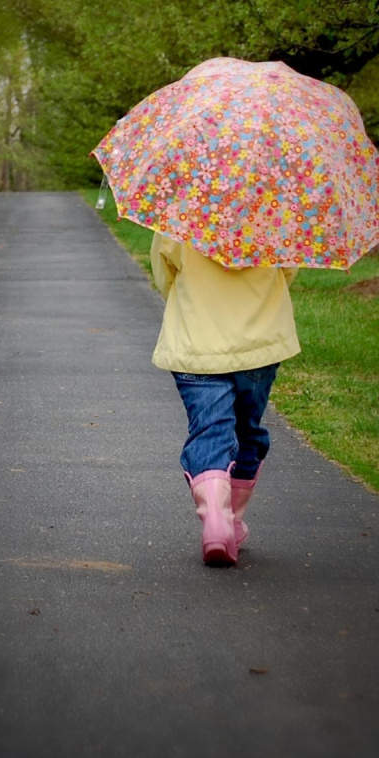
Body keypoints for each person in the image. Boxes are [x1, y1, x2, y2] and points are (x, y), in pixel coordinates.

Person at [149, 230, 299, 567]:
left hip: (197, 341)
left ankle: (216, 517)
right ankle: (230, 519)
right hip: (258, 346)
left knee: (210, 430)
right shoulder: (276, 212)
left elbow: (164, 271)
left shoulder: (181, 212)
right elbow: (288, 272)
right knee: (247, 429)